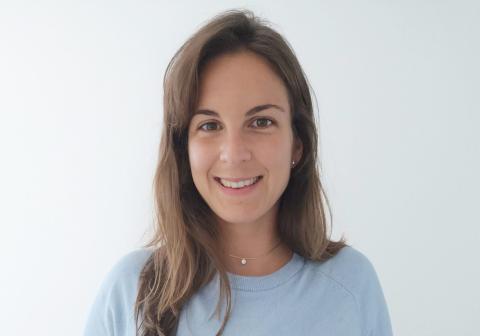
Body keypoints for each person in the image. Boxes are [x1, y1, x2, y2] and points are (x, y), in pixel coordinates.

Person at [83, 9, 393, 336]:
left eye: (261, 122)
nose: (234, 153)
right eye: (210, 125)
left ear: (297, 144)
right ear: (183, 149)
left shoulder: (350, 286)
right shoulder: (132, 292)